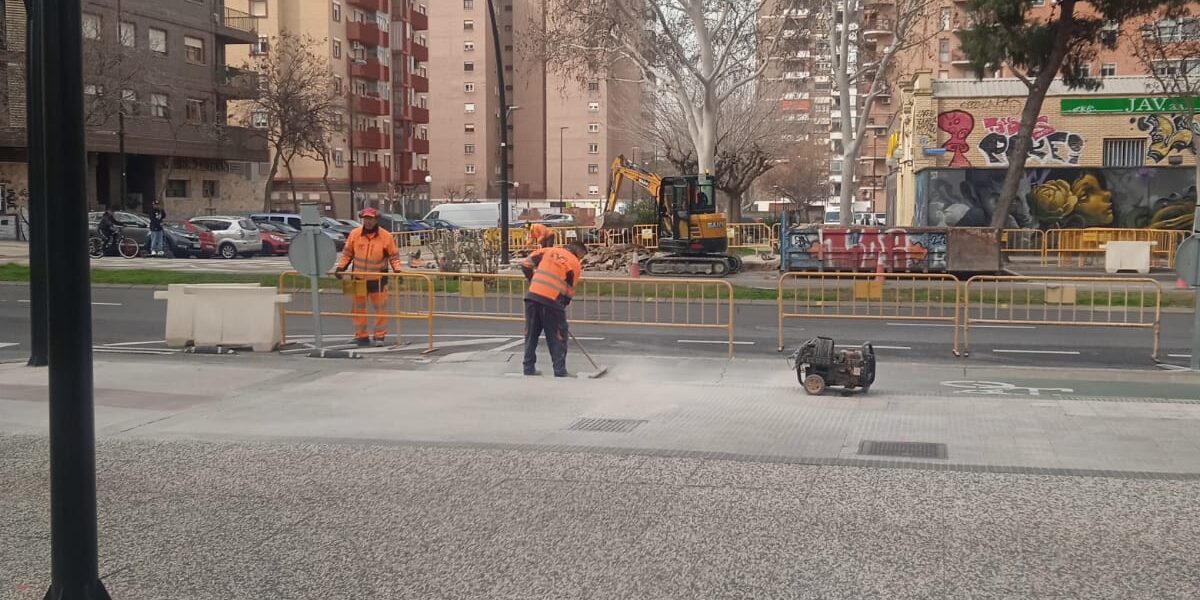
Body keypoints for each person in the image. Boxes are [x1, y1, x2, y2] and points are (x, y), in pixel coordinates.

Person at [334, 207, 404, 347]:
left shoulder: (386, 236)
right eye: (366, 219)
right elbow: (347, 254)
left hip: (378, 279)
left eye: (370, 219)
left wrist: (398, 270)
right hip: (358, 279)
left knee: (380, 309)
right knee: (358, 309)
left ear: (376, 220)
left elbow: (394, 256)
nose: (368, 222)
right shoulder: (355, 234)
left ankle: (379, 336)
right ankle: (361, 336)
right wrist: (341, 268)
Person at [520, 240, 587, 377]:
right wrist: (562, 305)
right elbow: (569, 290)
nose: (581, 259)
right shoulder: (574, 262)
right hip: (552, 301)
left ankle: (528, 368)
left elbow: (526, 264)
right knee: (558, 336)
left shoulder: (548, 250)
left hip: (533, 296)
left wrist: (533, 281)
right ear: (579, 252)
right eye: (582, 257)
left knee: (531, 334)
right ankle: (559, 370)